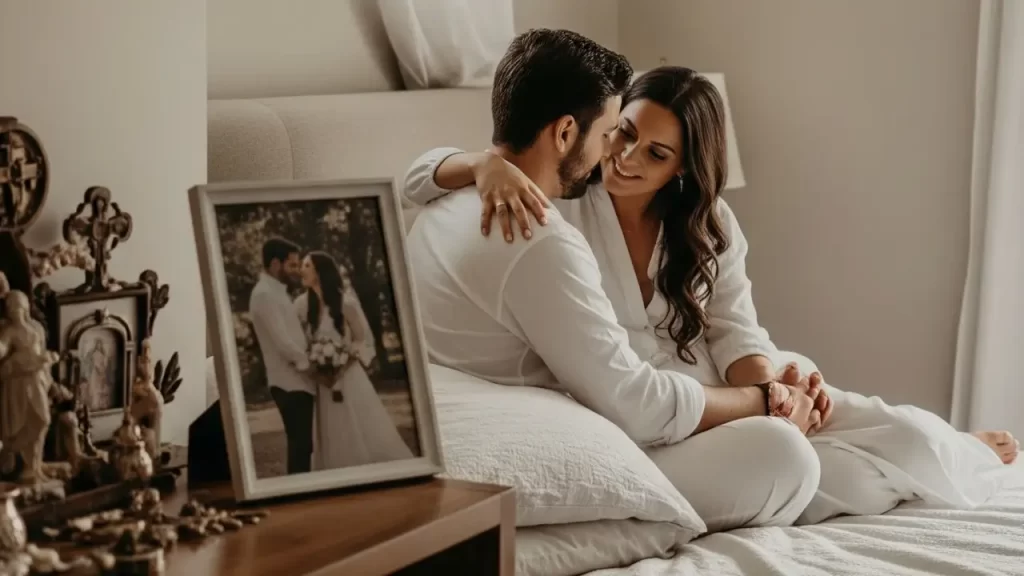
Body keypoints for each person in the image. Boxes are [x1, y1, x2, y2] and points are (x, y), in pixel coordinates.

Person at [404, 65, 1021, 527]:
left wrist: (774, 394)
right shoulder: (563, 198)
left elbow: (735, 328)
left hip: (727, 385)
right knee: (843, 481)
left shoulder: (709, 221)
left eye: (656, 153)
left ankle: (955, 448)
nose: (623, 158)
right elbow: (416, 174)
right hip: (645, 411)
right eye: (622, 134)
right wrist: (484, 166)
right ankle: (927, 466)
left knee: (889, 430)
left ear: (684, 167)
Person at [406, 30, 826, 532]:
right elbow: (636, 405)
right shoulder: (542, 239)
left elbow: (418, 174)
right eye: (611, 132)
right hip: (589, 438)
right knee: (788, 457)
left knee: (838, 418)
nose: (615, 153)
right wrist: (762, 401)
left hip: (615, 405)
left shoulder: (443, 205)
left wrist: (482, 162)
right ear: (565, 133)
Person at [295, 251, 413, 469]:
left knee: (358, 423)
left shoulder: (345, 303)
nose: (301, 270)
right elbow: (300, 343)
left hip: (348, 376)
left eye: (307, 266)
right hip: (323, 382)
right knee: (331, 426)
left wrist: (341, 366)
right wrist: (317, 369)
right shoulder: (302, 305)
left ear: (320, 272)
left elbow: (362, 340)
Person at [249, 237, 316, 475]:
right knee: (300, 446)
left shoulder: (276, 291)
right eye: (293, 265)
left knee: (304, 446)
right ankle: (300, 499)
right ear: (276, 264)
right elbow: (282, 342)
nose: (297, 271)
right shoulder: (264, 294)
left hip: (297, 380)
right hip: (288, 382)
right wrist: (310, 365)